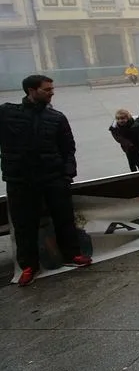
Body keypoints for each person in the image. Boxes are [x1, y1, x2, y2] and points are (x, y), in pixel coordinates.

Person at [0, 75, 91, 286]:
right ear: (31, 91)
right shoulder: (6, 113)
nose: (52, 92)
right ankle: (28, 265)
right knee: (24, 225)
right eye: (47, 89)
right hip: (20, 180)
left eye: (52, 89)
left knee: (64, 218)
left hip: (53, 178)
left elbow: (68, 148)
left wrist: (67, 174)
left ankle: (72, 254)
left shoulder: (57, 118)